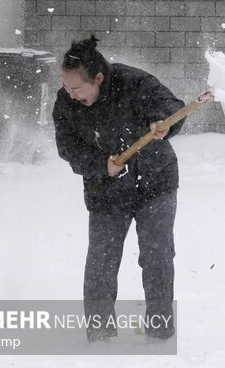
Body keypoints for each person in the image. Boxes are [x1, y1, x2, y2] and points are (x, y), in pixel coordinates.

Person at [53, 35, 185, 342]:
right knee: (101, 261)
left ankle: (160, 332)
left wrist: (162, 123)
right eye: (66, 87)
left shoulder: (133, 82)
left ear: (98, 78)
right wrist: (103, 165)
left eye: (76, 88)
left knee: (157, 257)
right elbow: (68, 147)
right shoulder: (66, 101)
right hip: (106, 190)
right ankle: (99, 335)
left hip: (155, 182)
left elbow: (170, 107)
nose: (70, 94)